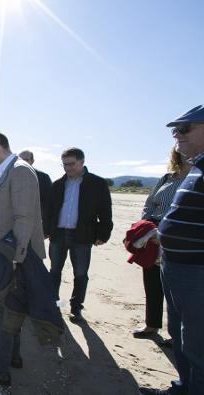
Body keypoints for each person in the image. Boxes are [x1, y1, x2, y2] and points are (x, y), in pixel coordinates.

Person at [0, 131, 63, 387]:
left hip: (11, 256)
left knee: (4, 310)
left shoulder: (20, 171)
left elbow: (24, 218)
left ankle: (1, 368)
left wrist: (14, 259)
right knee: (13, 308)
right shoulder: (10, 171)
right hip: (5, 253)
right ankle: (11, 355)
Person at [139, 104, 204, 395]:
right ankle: (182, 387)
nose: (176, 135)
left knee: (197, 345)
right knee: (180, 337)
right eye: (174, 130)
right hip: (174, 267)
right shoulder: (196, 167)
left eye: (184, 128)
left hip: (196, 274)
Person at [47, 147, 113, 322]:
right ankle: (52, 304)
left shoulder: (97, 183)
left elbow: (105, 212)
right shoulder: (58, 184)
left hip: (82, 236)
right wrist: (46, 230)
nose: (68, 168)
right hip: (58, 235)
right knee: (54, 271)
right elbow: (50, 211)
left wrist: (103, 234)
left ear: (82, 162)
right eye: (65, 164)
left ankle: (76, 308)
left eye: (71, 164)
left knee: (81, 274)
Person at [132, 148, 191, 341]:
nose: (185, 155)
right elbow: (150, 203)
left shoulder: (198, 177)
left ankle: (179, 335)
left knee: (176, 287)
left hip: (179, 235)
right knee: (152, 281)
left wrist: (165, 232)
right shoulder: (167, 178)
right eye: (180, 152)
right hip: (153, 233)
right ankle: (152, 325)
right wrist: (147, 227)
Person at [19, 149, 53, 236]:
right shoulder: (10, 176)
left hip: (34, 226)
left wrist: (45, 229)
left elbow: (48, 203)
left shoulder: (43, 178)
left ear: (32, 161)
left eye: (25, 160)